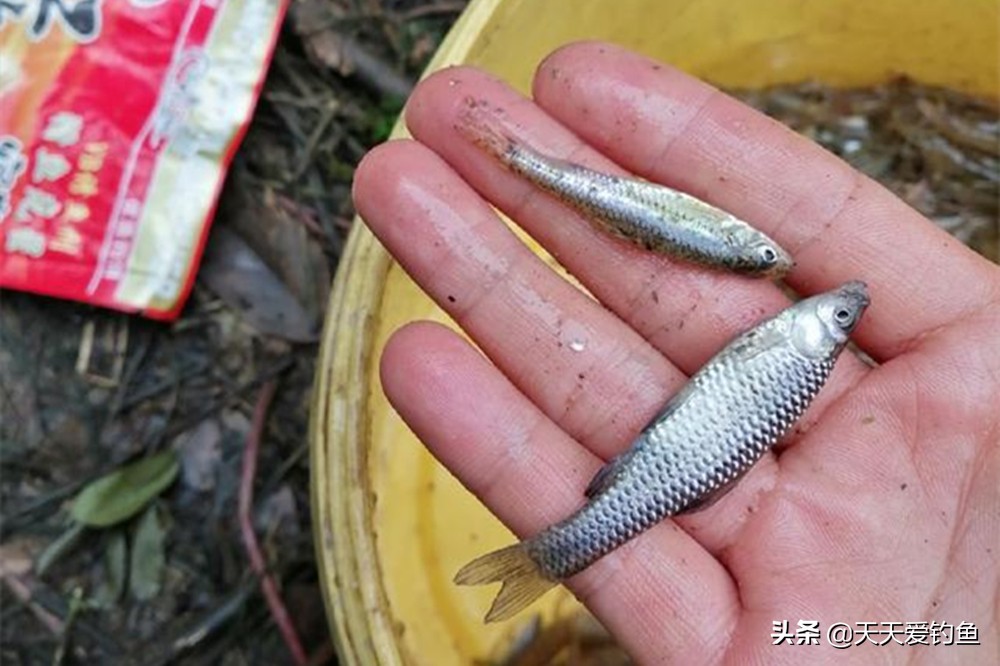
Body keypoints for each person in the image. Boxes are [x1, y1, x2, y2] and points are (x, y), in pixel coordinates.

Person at [352, 42, 999, 663]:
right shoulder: (801, 362)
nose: (845, 303)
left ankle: (552, 555)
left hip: (682, 458)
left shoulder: (797, 354)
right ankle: (553, 555)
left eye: (841, 317)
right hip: (686, 458)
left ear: (818, 334)